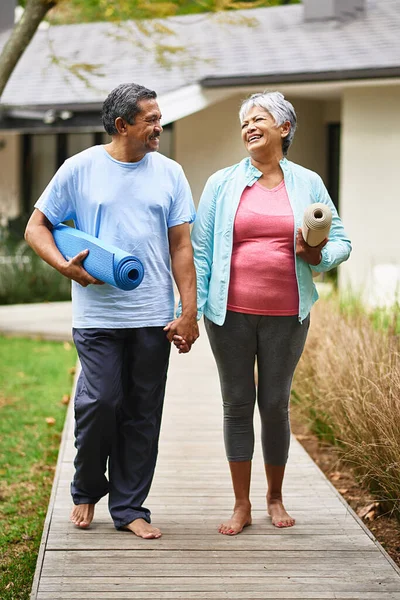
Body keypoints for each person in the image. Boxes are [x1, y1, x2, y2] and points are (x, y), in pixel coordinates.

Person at [25, 82, 199, 539]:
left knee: (143, 413)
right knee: (100, 402)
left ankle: (130, 508)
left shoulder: (170, 173)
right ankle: (86, 487)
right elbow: (36, 227)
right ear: (123, 125)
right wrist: (65, 266)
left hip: (151, 314)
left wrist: (189, 310)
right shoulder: (78, 169)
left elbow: (182, 246)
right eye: (151, 120)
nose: (159, 127)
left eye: (159, 118)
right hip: (97, 315)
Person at [174, 91, 351, 535]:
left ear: (284, 128)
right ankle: (241, 504)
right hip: (228, 313)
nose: (249, 127)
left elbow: (342, 241)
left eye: (259, 119)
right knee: (237, 404)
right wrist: (189, 311)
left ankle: (275, 496)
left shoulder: (308, 183)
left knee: (274, 404)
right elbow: (200, 250)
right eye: (244, 123)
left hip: (288, 312)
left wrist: (317, 255)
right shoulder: (221, 183)